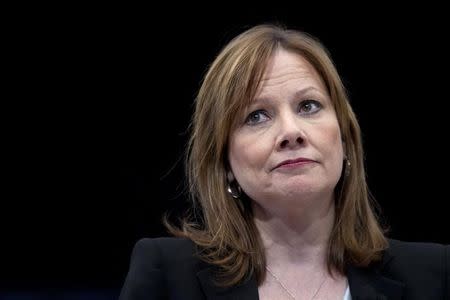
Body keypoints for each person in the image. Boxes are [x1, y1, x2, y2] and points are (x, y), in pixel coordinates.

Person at [119, 24, 449, 300]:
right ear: (224, 161)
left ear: (345, 138)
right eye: (257, 116)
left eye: (308, 106)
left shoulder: (436, 276)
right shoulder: (167, 276)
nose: (291, 132)